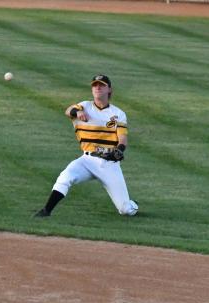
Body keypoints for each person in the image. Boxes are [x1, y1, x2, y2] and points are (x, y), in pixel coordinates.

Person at [34, 74, 139, 217]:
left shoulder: (118, 114)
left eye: (102, 85)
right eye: (95, 85)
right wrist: (78, 112)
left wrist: (119, 151)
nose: (98, 88)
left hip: (108, 164)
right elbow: (68, 110)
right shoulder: (84, 106)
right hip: (87, 160)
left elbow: (123, 138)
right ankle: (46, 211)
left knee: (125, 210)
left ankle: (132, 204)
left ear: (109, 90)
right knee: (65, 177)